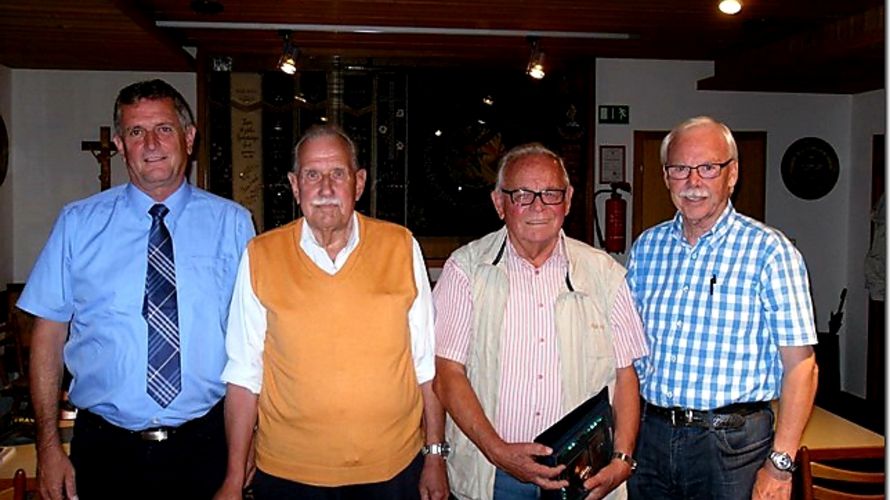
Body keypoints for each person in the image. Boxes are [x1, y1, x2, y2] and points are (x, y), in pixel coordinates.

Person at [18, 79, 256, 499]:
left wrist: (248, 443)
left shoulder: (233, 225)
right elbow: (47, 337)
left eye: (163, 128)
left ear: (189, 137)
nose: (150, 143)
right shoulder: (78, 225)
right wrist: (49, 445)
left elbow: (253, 345)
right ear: (121, 146)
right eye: (135, 132)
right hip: (105, 451)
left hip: (206, 448)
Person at [214, 124, 449, 500]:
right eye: (312, 175)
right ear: (294, 185)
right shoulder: (261, 256)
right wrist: (232, 477)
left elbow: (426, 367)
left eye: (337, 174)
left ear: (358, 183)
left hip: (393, 470)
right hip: (288, 474)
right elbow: (244, 375)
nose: (325, 189)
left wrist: (435, 455)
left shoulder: (400, 247)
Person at [433, 143, 648, 500]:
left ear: (568, 200)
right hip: (494, 477)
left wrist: (623, 459)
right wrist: (497, 451)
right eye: (522, 194)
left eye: (550, 193)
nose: (538, 205)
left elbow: (625, 376)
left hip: (582, 475)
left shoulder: (605, 275)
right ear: (499, 203)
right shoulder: (465, 270)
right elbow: (447, 373)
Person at [625, 116, 819, 500]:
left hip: (733, 447)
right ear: (666, 177)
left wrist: (780, 465)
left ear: (732, 175)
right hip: (652, 438)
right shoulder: (647, 248)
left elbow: (802, 367)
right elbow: (627, 353)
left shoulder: (770, 252)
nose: (693, 182)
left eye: (708, 168)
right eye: (679, 168)